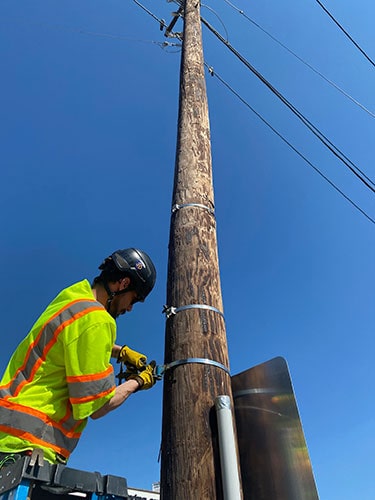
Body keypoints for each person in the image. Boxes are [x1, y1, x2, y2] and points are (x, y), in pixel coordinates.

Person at [0, 248, 157, 466]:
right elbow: (99, 406)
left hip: (7, 435)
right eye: (134, 299)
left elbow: (71, 334)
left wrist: (120, 352)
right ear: (123, 284)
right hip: (31, 444)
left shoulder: (72, 298)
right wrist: (138, 382)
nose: (130, 308)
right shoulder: (98, 321)